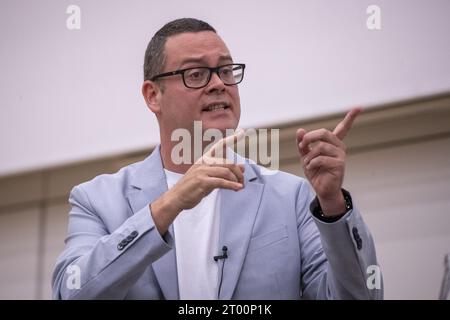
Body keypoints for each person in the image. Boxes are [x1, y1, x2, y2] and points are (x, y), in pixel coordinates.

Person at [52, 18, 383, 300]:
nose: (218, 84)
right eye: (195, 74)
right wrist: (169, 205)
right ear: (153, 96)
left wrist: (333, 206)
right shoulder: (97, 199)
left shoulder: (290, 196)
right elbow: (71, 292)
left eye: (225, 70)